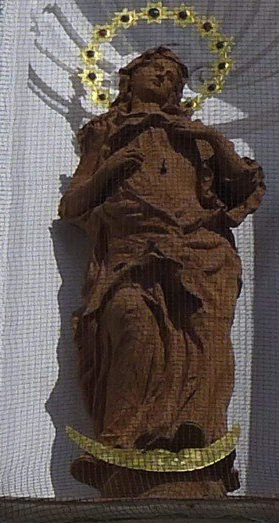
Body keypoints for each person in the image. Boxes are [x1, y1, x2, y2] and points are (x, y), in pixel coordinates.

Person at [59, 46, 265, 499]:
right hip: (131, 254)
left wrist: (215, 142)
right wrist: (110, 170)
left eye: (173, 75)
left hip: (201, 254)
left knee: (205, 341)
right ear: (128, 78)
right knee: (133, 324)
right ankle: (120, 441)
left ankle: (198, 436)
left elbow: (241, 188)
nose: (163, 78)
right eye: (155, 69)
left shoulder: (195, 135)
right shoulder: (106, 132)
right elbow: (72, 206)